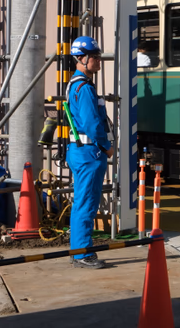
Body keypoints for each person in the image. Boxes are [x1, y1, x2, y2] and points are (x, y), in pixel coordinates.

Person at [66, 36, 113, 269]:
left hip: (81, 151)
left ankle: (80, 249)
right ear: (81, 59)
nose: (98, 60)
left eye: (98, 55)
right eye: (94, 56)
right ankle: (81, 253)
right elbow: (93, 123)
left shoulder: (77, 84)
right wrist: (106, 146)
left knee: (83, 202)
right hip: (88, 152)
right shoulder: (83, 88)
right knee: (86, 203)